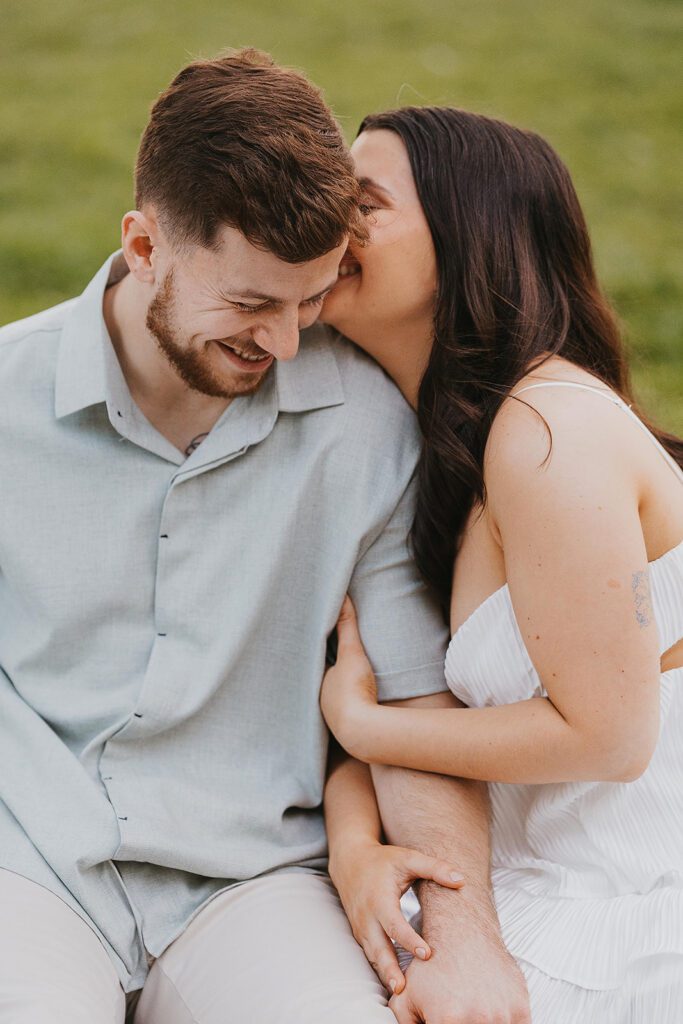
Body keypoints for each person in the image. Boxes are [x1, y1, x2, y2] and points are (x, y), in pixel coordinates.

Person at [0, 53, 531, 1024]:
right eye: (250, 304)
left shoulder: (366, 426)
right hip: (23, 859)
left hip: (250, 881)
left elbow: (416, 700)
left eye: (310, 298)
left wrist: (464, 946)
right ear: (145, 244)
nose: (285, 343)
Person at [319, 106, 683, 1022]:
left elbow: (607, 737)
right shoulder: (430, 447)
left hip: (635, 902)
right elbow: (434, 719)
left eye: (365, 202)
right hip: (538, 874)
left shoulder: (546, 430)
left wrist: (367, 731)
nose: (331, 223)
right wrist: (353, 840)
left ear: (469, 234)